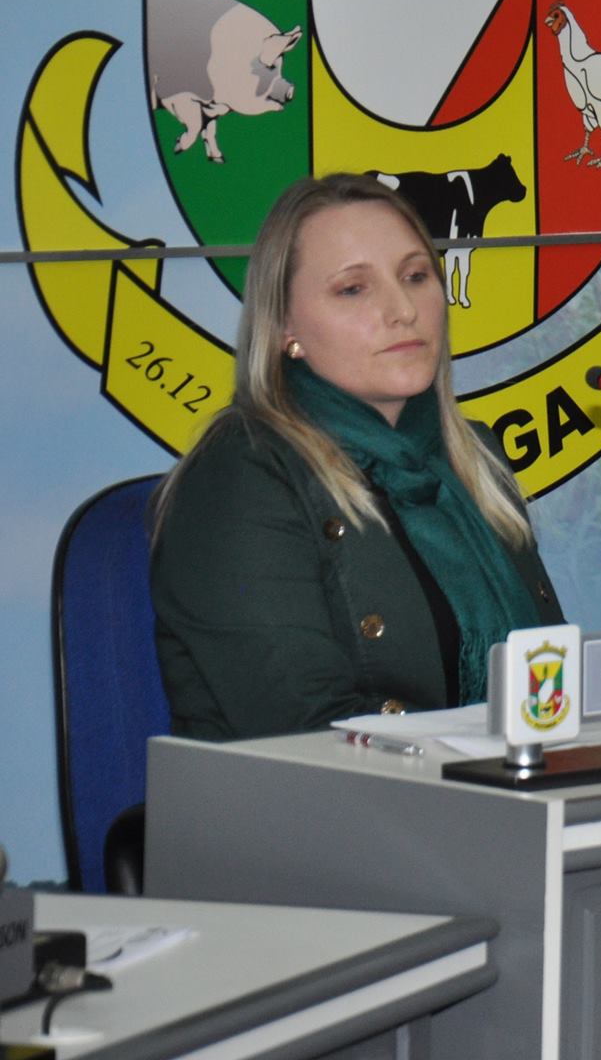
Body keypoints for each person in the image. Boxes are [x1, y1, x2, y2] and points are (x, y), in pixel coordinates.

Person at [152, 175, 563, 740]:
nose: (402, 310)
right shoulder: (239, 478)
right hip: (322, 794)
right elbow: (306, 730)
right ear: (285, 328)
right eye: (353, 289)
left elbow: (551, 685)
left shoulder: (475, 458)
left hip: (503, 782)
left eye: (415, 276)